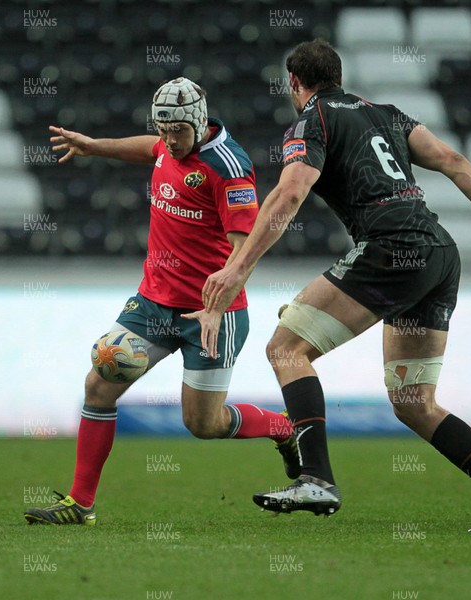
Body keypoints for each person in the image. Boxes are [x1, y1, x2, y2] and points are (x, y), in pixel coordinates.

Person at [199, 40, 471, 532]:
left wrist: (237, 270)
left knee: (286, 347)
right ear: (338, 75)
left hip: (391, 248)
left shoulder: (310, 120)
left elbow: (290, 192)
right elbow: (454, 161)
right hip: (439, 253)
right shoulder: (387, 113)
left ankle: (315, 477)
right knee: (413, 402)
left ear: (295, 84)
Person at [24, 77, 299, 526]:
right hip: (153, 302)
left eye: (178, 132)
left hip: (212, 313)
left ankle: (284, 428)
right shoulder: (167, 145)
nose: (170, 141)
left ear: (199, 122)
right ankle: (80, 504)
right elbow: (149, 148)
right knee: (98, 385)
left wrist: (215, 306)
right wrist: (96, 146)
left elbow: (242, 251)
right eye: (163, 130)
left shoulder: (228, 167)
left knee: (203, 424)